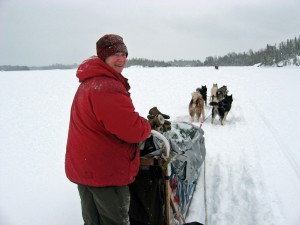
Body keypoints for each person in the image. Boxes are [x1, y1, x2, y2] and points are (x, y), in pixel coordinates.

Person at [65, 34, 151, 225]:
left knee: (92, 220)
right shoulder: (105, 86)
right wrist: (146, 125)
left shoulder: (88, 83)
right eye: (115, 54)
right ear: (103, 57)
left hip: (86, 168)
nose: (121, 59)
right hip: (106, 172)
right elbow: (132, 130)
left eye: (123, 54)